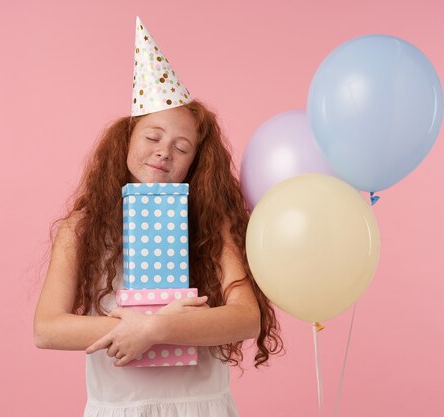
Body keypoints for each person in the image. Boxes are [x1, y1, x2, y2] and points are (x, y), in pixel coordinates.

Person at [33, 17, 283, 417]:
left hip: (201, 407)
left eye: (181, 148)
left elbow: (247, 317)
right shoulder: (82, 229)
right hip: (119, 407)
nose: (164, 152)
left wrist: (157, 328)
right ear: (126, 140)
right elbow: (46, 329)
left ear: (195, 165)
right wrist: (133, 329)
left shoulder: (211, 227)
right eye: (152, 137)